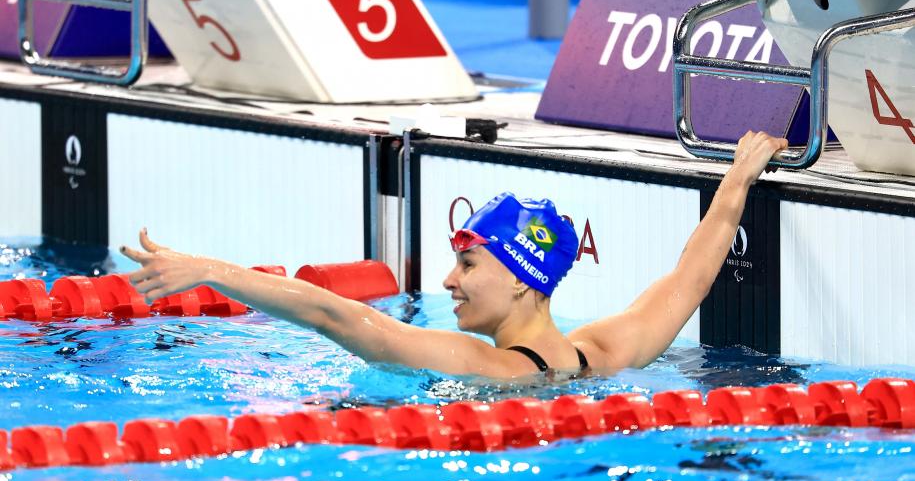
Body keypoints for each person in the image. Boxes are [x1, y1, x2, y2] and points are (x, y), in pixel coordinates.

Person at [121, 131, 788, 379]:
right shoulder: (605, 353)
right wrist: (735, 180)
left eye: (468, 265)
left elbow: (342, 320)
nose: (447, 279)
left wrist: (212, 270)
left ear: (525, 281)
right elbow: (686, 282)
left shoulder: (488, 367)